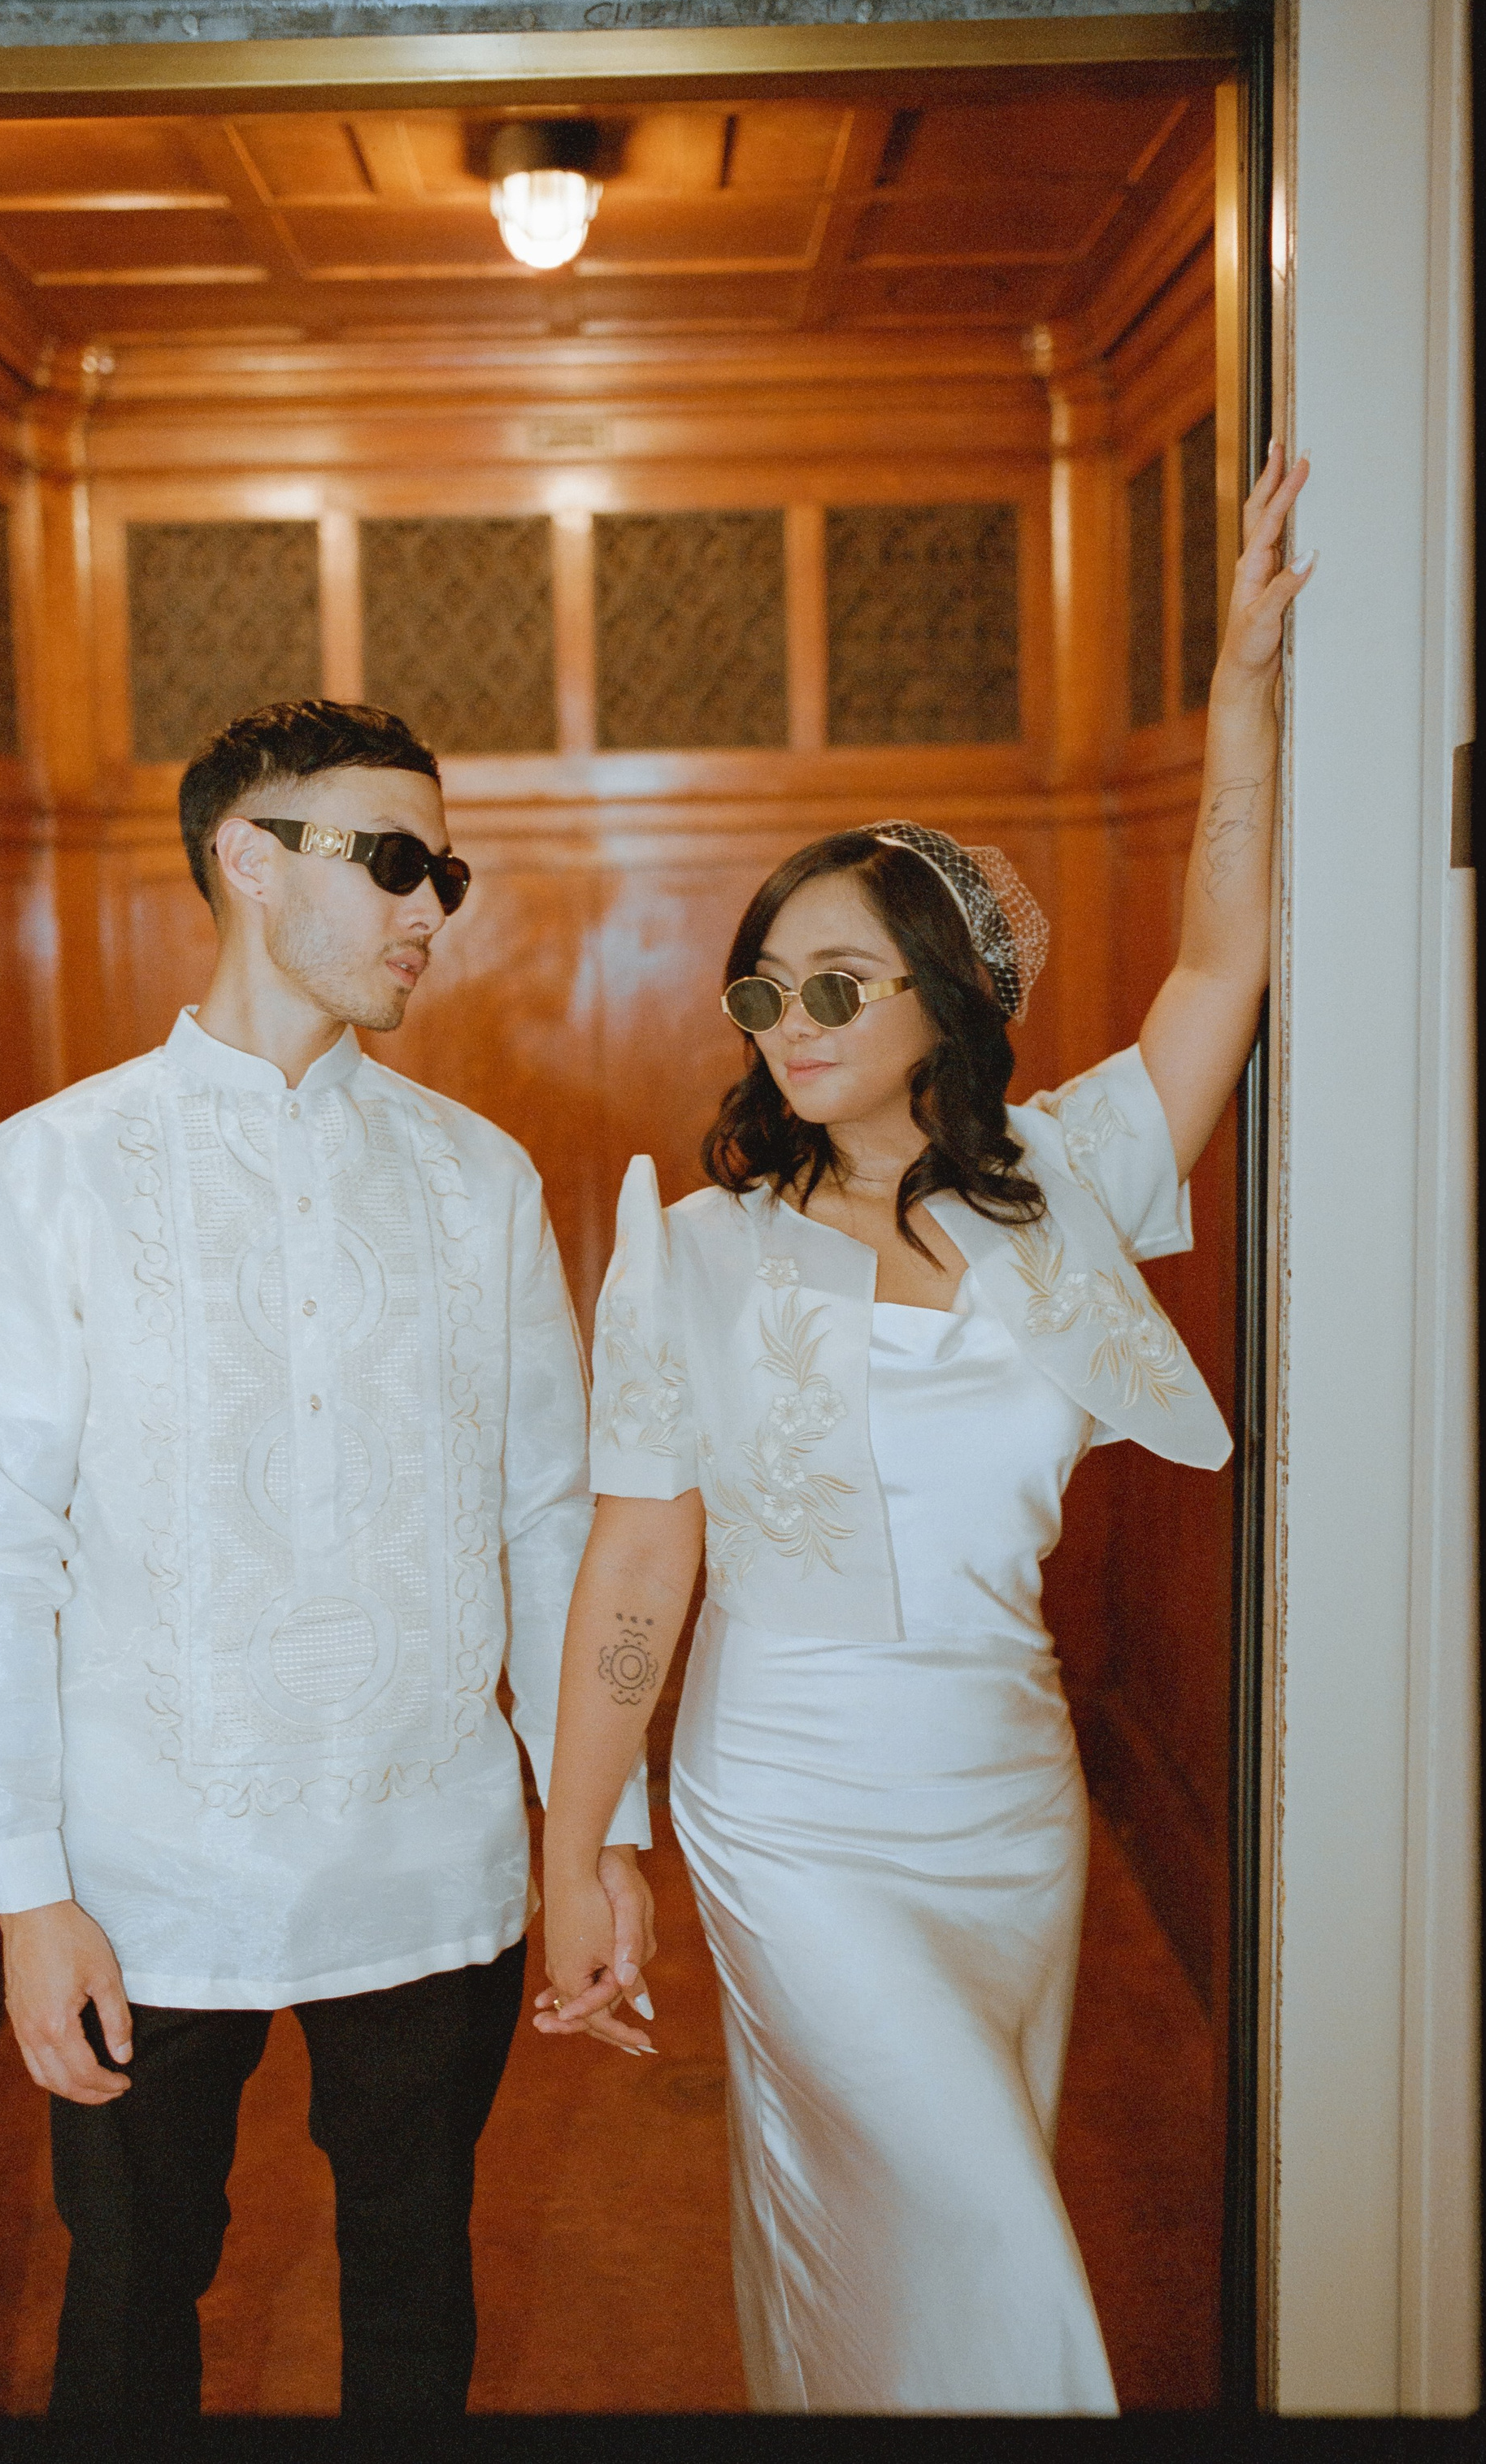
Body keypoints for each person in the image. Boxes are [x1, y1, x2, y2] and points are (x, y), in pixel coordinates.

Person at [533, 445, 1313, 2413]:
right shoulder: (690, 1250)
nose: (783, 1018)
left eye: (833, 980)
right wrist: (578, 1843)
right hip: (785, 1806)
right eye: (761, 984)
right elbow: (640, 1559)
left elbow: (1221, 961)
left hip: (1002, 1798)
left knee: (902, 2249)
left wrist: (1241, 686)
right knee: (995, 2244)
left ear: (944, 1004)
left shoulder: (1064, 1186)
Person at [0, 698, 650, 2419]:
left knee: (414, 2290)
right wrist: (26, 1889)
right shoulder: (47, 1174)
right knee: (127, 2300)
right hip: (145, 1872)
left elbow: (554, 1519)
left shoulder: (478, 1179)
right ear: (249, 859)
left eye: (443, 871)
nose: (430, 907)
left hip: (432, 1860)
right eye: (393, 860)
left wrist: (595, 1831)